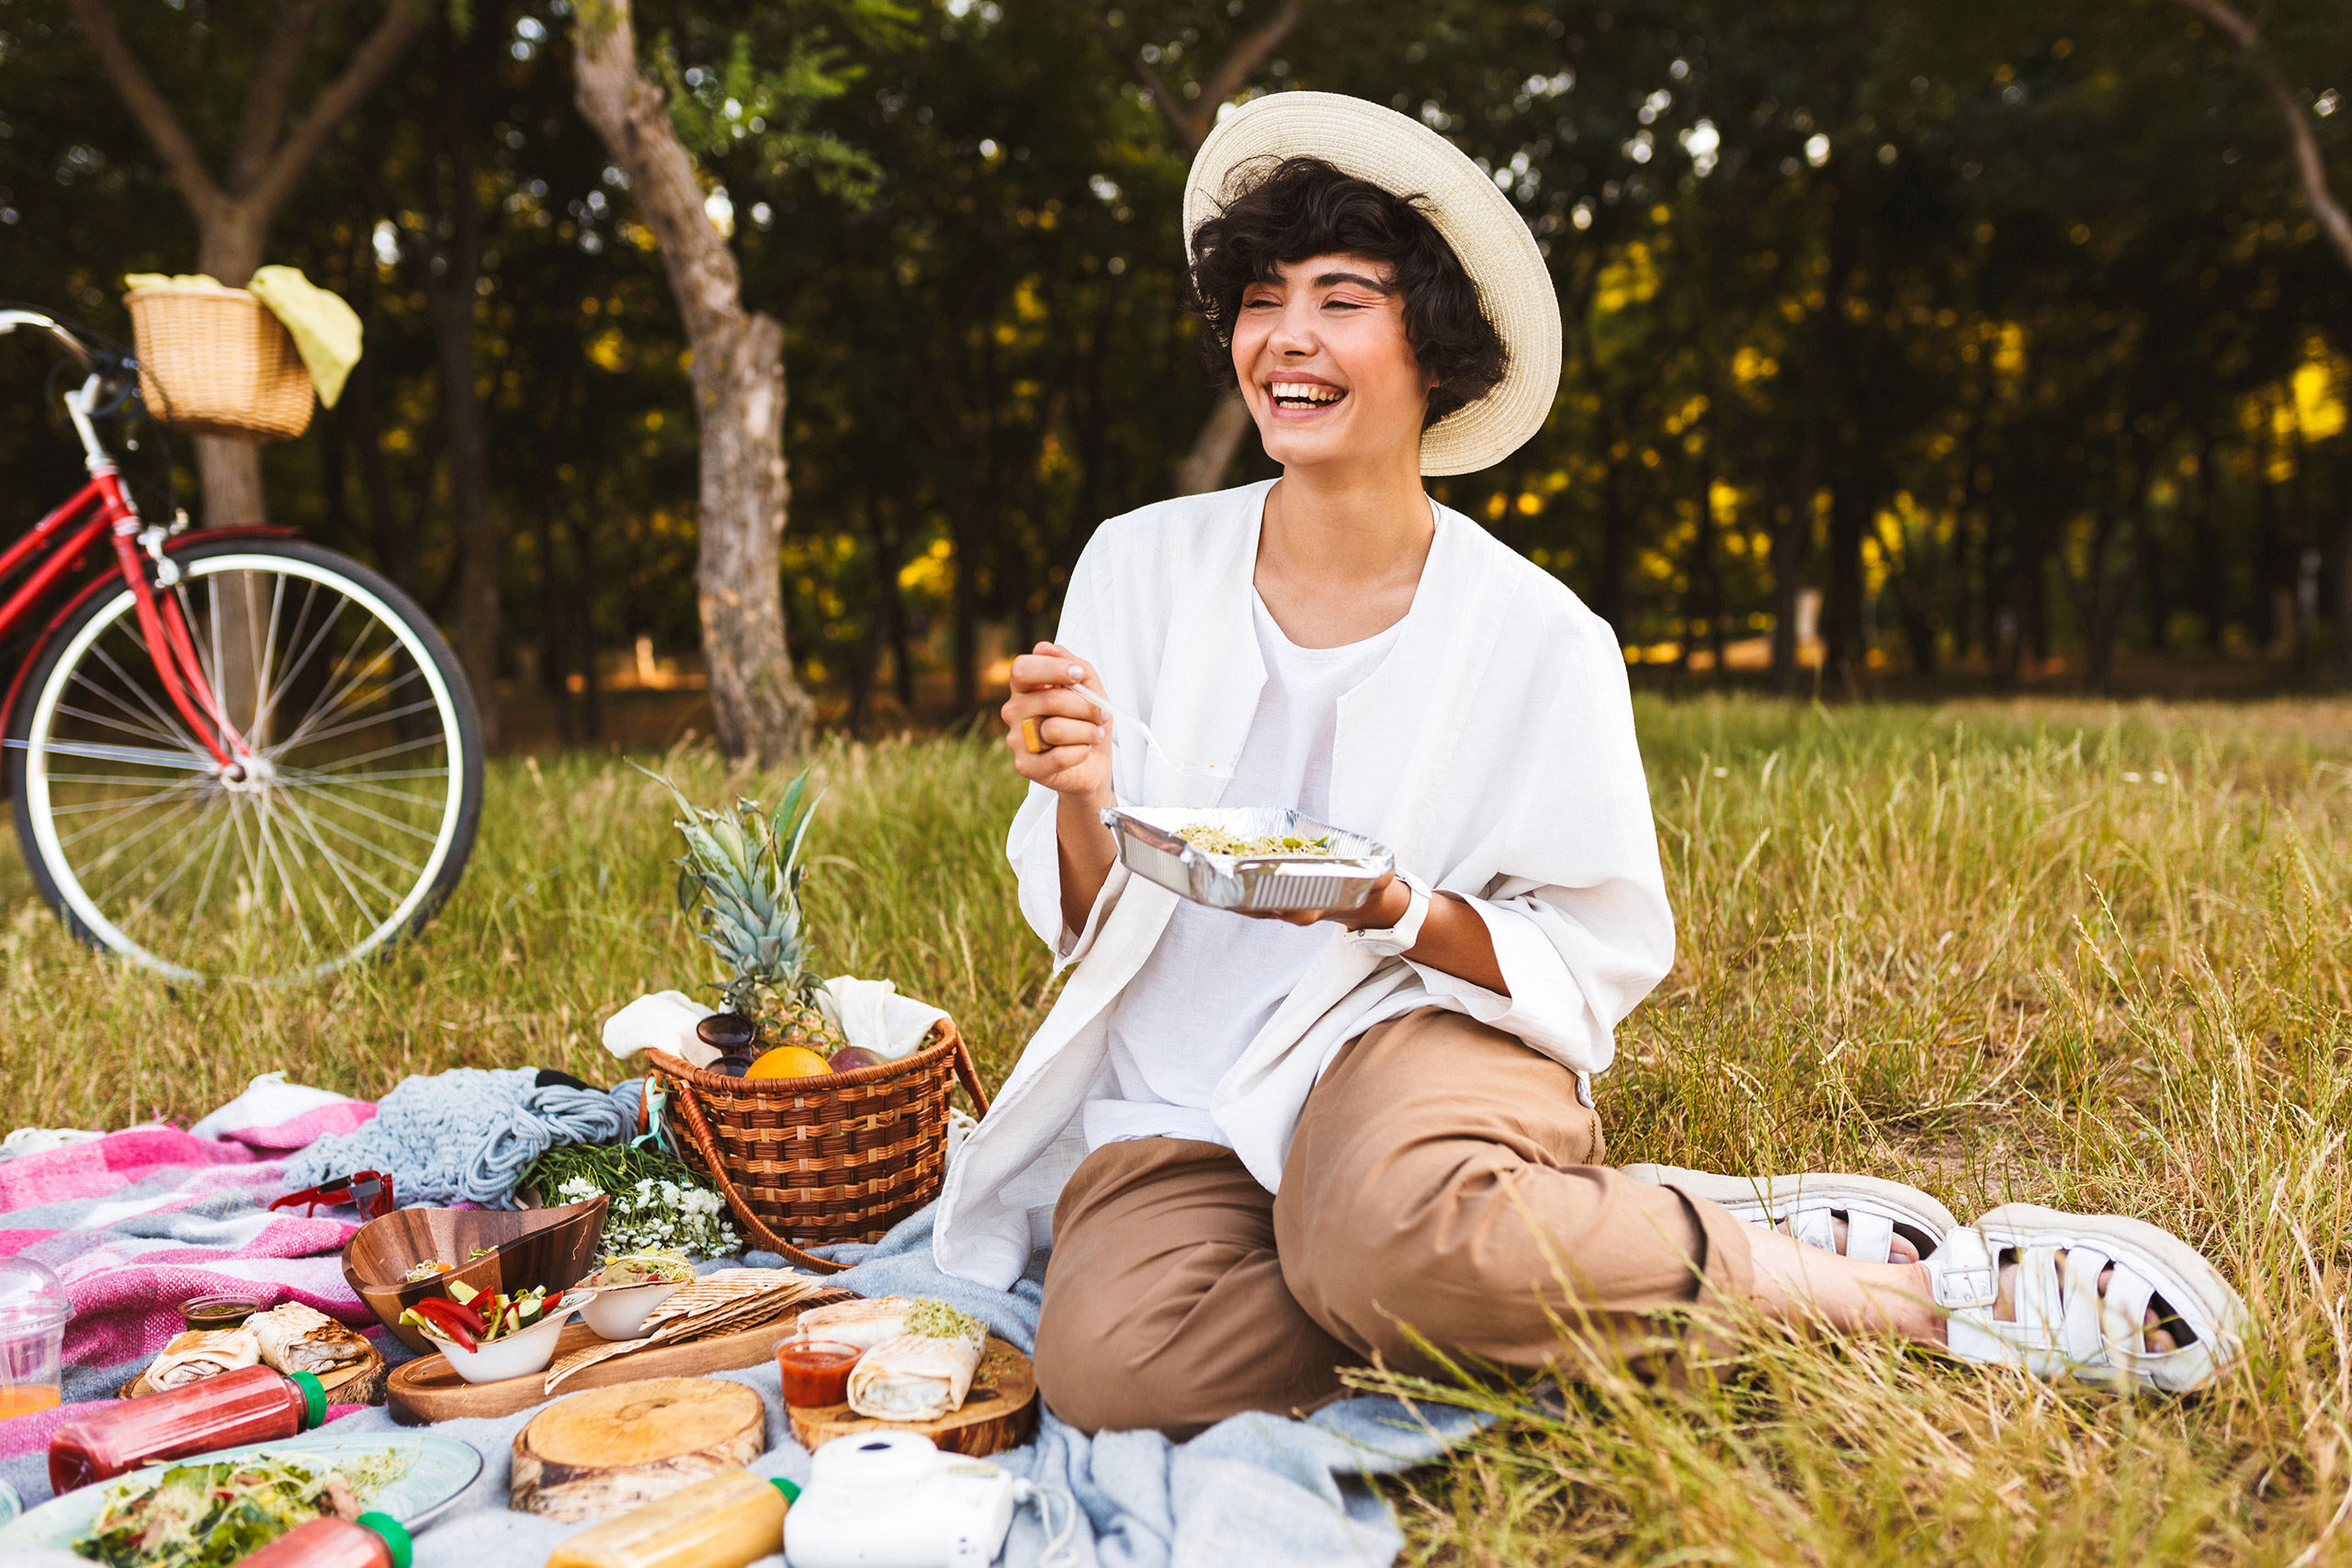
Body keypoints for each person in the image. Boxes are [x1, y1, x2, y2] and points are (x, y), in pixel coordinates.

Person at [933, 92, 2248, 1438]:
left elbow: (1600, 946)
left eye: (1344, 298)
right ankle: (1573, 1237)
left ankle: (1912, 1298)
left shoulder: (1540, 636)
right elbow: (1089, 925)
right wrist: (1076, 796)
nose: (1290, 338)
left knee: (1379, 1249)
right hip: (1181, 1097)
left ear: (1432, 343)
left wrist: (1393, 907)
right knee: (1118, 1377)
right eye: (1263, 298)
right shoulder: (1138, 565)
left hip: (1400, 1033)